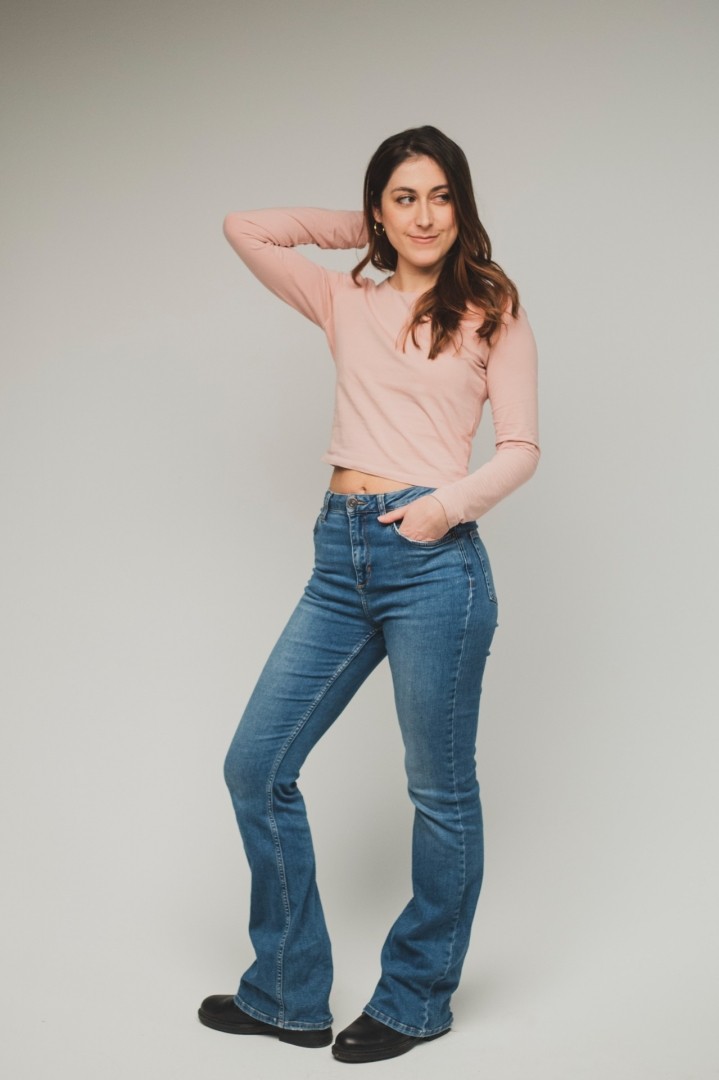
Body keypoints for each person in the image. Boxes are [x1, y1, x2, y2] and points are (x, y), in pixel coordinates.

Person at [198, 125, 539, 1064]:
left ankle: (416, 1000)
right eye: (404, 198)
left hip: (436, 565)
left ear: (463, 204)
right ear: (377, 211)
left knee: (439, 792)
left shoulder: (492, 309)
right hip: (338, 560)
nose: (425, 215)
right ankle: (286, 992)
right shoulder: (343, 297)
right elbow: (246, 227)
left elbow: (519, 448)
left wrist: (442, 509)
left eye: (441, 196)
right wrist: (372, 230)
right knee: (255, 766)